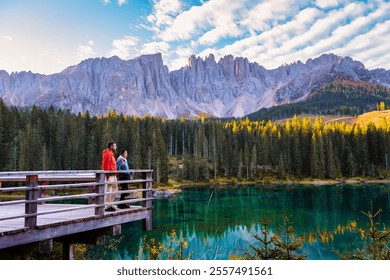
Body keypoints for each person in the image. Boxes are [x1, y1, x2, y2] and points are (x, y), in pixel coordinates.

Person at [102, 141, 118, 212]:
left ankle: (109, 204)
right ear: (111, 146)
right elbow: (105, 165)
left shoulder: (111, 154)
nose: (116, 147)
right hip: (110, 175)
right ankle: (107, 206)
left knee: (115, 189)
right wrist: (107, 175)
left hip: (113, 174)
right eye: (115, 146)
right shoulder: (107, 153)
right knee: (108, 190)